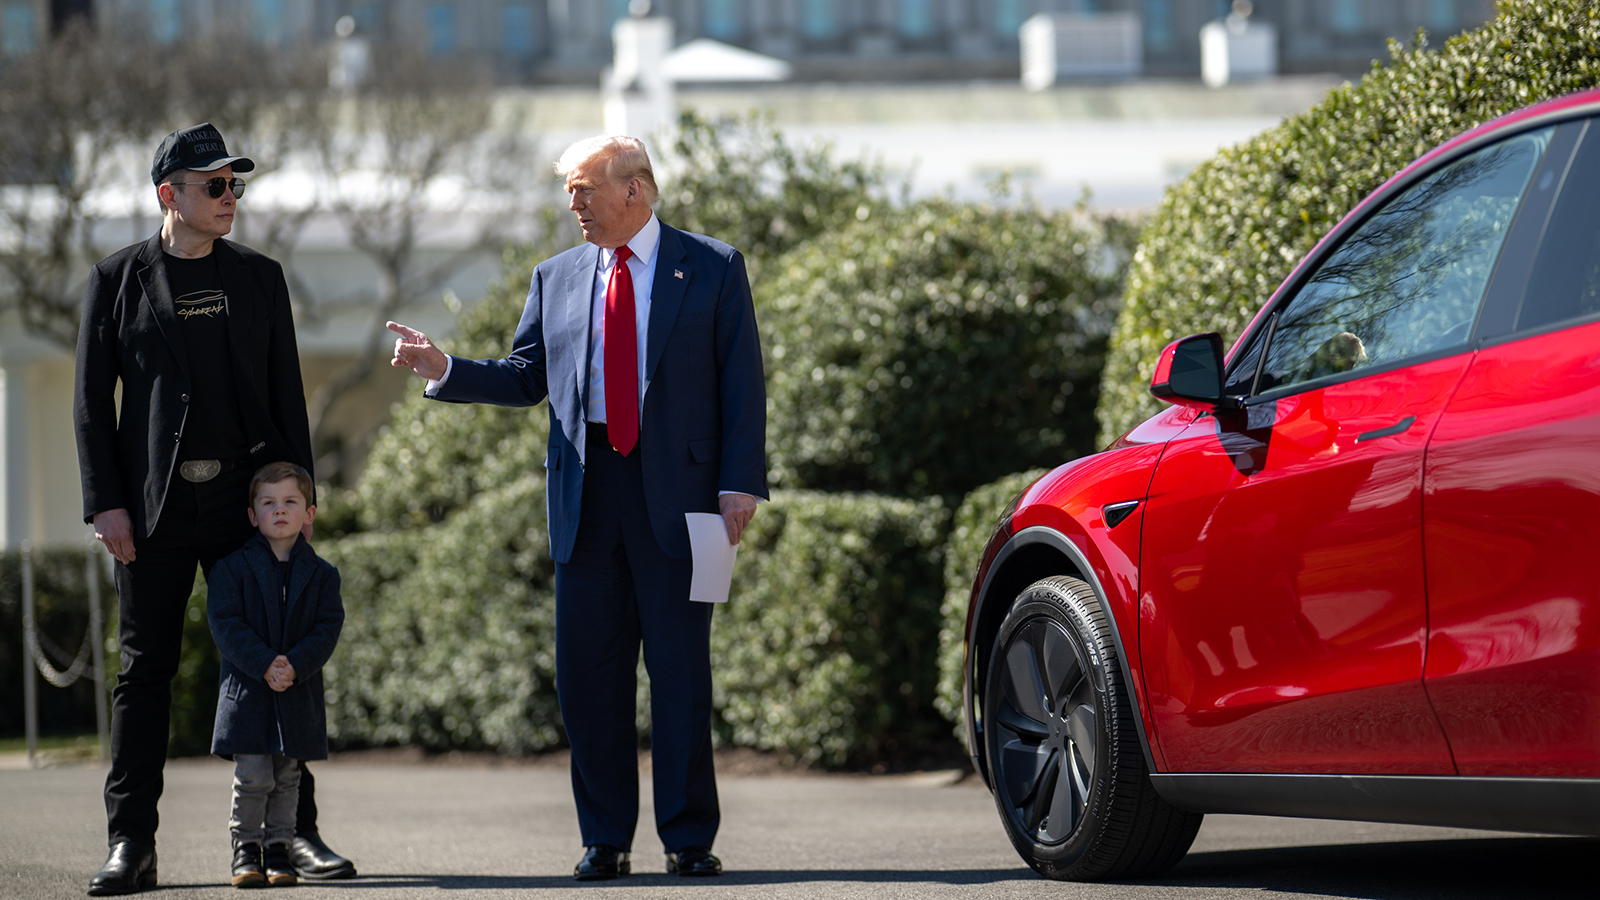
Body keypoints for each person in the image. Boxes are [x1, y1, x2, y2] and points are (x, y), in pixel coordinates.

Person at [387, 134, 767, 881]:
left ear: (636, 189)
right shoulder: (554, 275)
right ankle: (605, 838)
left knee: (681, 673)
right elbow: (527, 375)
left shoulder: (715, 266)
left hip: (685, 501)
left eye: (584, 188)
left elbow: (741, 382)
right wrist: (446, 368)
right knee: (588, 679)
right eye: (568, 189)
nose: (573, 204)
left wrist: (739, 482)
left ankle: (689, 838)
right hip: (586, 496)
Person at [74, 123, 355, 896]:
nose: (231, 198)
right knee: (145, 673)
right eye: (216, 185)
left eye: (236, 185)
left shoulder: (260, 278)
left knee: (282, 663)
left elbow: (286, 395)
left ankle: (296, 836)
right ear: (170, 195)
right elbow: (94, 406)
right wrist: (108, 505)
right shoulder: (116, 279)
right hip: (156, 509)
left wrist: (299, 497)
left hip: (248, 503)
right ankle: (132, 844)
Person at [207, 462, 344, 889]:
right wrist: (266, 663)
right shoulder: (230, 569)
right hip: (248, 694)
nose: (279, 511)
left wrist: (295, 666)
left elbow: (326, 628)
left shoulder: (323, 575)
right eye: (268, 503)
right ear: (252, 515)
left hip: (296, 694)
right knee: (253, 777)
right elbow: (226, 625)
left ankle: (280, 850)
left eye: (290, 502)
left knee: (288, 778)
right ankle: (246, 849)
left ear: (310, 514)